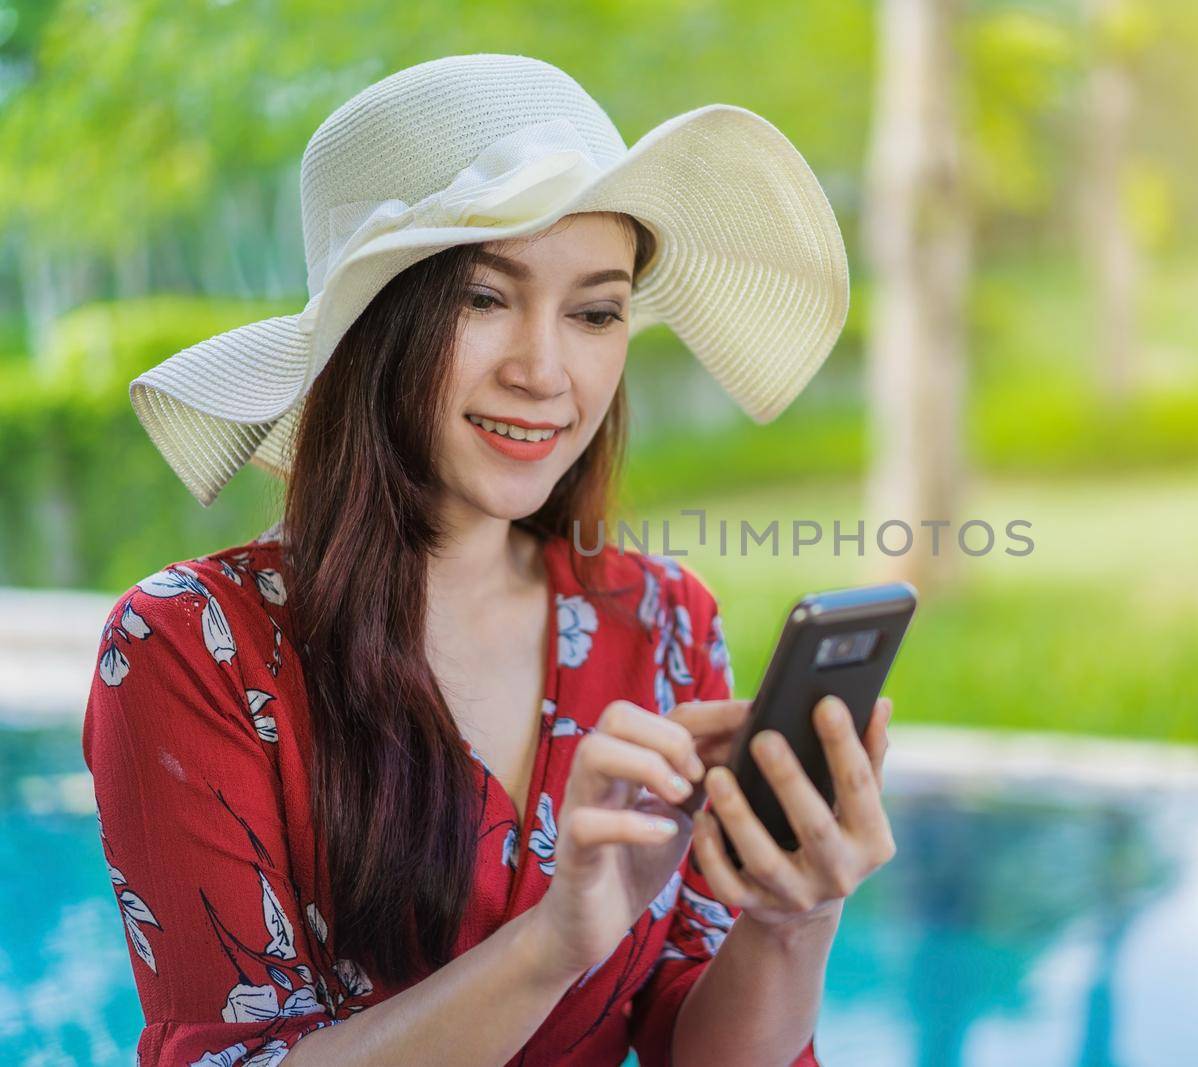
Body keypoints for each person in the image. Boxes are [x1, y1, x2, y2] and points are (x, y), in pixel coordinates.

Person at [81, 53, 894, 1066]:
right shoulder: (189, 647)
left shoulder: (663, 618)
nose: (545, 371)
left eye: (596, 311)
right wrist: (552, 943)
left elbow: (701, 1041)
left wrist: (792, 917)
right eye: (482, 298)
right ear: (372, 326)